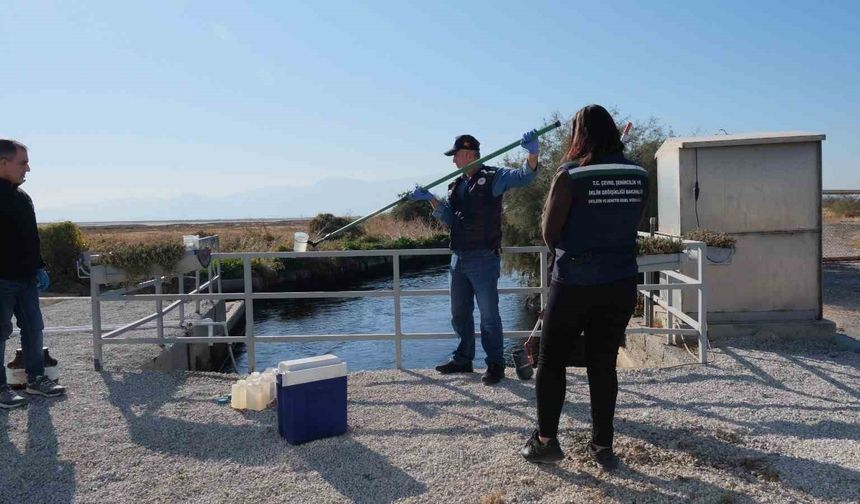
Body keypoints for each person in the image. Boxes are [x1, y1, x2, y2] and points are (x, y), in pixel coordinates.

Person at [520, 105, 648, 469]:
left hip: (575, 281)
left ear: (580, 134)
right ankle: (603, 447)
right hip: (620, 280)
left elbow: (549, 231)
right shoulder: (638, 174)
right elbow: (635, 220)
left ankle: (546, 440)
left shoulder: (571, 175)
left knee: (552, 360)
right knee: (603, 364)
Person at [408, 130, 540, 385]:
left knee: (489, 316)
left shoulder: (494, 177)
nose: (453, 161)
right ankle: (463, 359)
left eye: (455, 156)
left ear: (468, 154)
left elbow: (524, 176)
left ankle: (495, 364)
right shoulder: (455, 185)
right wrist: (431, 200)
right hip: (458, 258)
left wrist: (533, 153)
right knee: (459, 313)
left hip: (483, 258)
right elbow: (449, 219)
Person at [0, 139, 66, 409]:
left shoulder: (22, 197)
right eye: (22, 162)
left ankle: (36, 379)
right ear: (3, 164)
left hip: (26, 279)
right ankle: (1, 390)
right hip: (2, 280)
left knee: (34, 328)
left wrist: (38, 265)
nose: (27, 169)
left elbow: (31, 237)